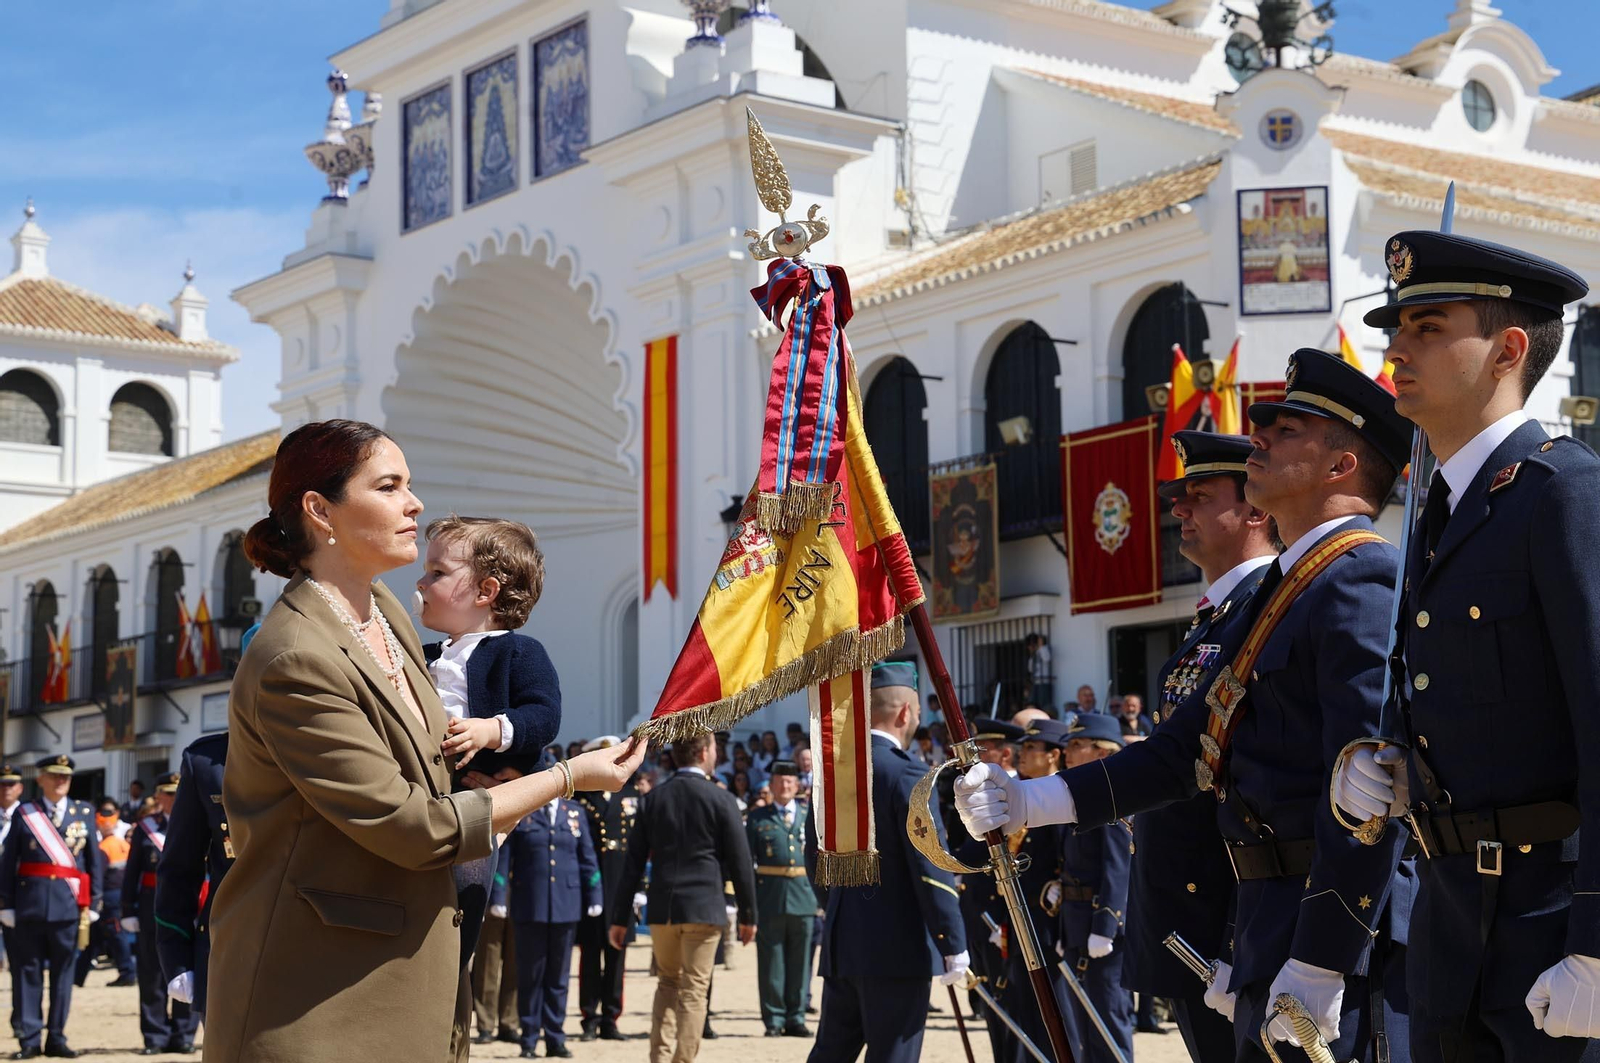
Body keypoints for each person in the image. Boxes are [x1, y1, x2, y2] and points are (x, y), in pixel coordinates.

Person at [958, 350, 1417, 1062]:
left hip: (1327, 946)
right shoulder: (1284, 591)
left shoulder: (1360, 580)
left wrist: (1325, 956)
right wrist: (1030, 800)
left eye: (1286, 428)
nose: (1257, 435)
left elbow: (1369, 799)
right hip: (1267, 922)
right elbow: (1181, 753)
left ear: (1339, 468)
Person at [209, 419, 647, 1063]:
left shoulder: (383, 614)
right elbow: (410, 825)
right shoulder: (295, 656)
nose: (414, 503)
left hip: (411, 967)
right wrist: (566, 778)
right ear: (319, 511)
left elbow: (431, 770)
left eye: (409, 485)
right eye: (389, 486)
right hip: (319, 992)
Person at [1332, 231, 1597, 1061]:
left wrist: (1596, 941)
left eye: (1427, 328)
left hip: (1551, 922)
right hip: (1452, 927)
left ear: (1508, 349)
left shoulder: (1564, 494)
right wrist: (1384, 768)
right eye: (1395, 328)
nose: (1396, 348)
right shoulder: (1437, 513)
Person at [1125, 429, 1275, 1062]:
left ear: (1256, 510)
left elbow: (1266, 789)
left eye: (1200, 494)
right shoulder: (1216, 617)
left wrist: (1236, 941)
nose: (1178, 509)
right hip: (1189, 928)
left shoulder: (1267, 609)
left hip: (1226, 925)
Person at [416, 514, 564, 970]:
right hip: (426, 802)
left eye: (437, 573)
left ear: (486, 592)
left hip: (479, 803)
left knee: (467, 892)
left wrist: (490, 730)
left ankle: (457, 966)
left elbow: (543, 716)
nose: (421, 582)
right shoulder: (422, 656)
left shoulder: (520, 652)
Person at [809, 661, 969, 1063]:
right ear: (904, 713)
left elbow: (815, 856)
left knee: (831, 1054)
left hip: (844, 943)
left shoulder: (833, 775)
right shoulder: (908, 775)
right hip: (897, 950)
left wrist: (840, 910)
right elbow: (930, 868)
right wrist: (952, 940)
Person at [608, 732, 757, 1063]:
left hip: (664, 907)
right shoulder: (722, 799)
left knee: (667, 984)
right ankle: (683, 1060)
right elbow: (740, 863)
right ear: (704, 752)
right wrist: (749, 915)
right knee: (694, 990)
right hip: (704, 906)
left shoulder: (654, 798)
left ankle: (660, 1058)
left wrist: (619, 918)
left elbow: (631, 865)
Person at [499, 753, 603, 1059]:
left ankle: (555, 1037)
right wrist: (498, 897)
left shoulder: (575, 813)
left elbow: (588, 859)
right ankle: (529, 1038)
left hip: (565, 905)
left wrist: (595, 896)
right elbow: (506, 859)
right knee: (530, 975)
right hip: (530, 904)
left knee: (558, 977)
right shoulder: (524, 813)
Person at [0, 755, 103, 1059]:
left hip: (69, 907)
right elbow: (8, 863)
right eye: (54, 776)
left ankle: (56, 1037)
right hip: (28, 905)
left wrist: (95, 902)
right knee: (26, 974)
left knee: (63, 976)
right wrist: (5, 904)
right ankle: (30, 1040)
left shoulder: (83, 812)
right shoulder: (25, 813)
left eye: (66, 777)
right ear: (40, 779)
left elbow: (93, 861)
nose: (61, 781)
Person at [1057, 714, 1134, 1063]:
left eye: (1077, 745)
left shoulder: (1113, 803)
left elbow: (1118, 869)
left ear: (1102, 753)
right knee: (1085, 1025)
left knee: (1107, 1020)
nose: (1067, 753)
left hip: (1101, 930)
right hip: (1076, 924)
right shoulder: (1082, 801)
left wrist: (1106, 925)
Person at [155, 733, 233, 1023]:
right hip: (230, 950)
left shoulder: (334, 740)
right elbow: (179, 868)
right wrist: (176, 957)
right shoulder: (207, 760)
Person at [122, 772, 197, 1055]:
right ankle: (155, 1036)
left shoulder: (196, 824)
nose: (174, 799)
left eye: (179, 793)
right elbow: (132, 874)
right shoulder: (145, 828)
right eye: (168, 793)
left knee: (187, 970)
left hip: (189, 907)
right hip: (151, 909)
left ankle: (184, 1034)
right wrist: (128, 909)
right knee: (151, 974)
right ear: (159, 797)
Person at [573, 736, 639, 1043]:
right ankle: (589, 1016)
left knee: (617, 957)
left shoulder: (631, 795)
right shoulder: (582, 799)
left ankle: (611, 1018)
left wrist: (641, 889)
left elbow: (639, 849)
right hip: (593, 887)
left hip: (621, 886)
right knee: (590, 956)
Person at [746, 760, 813, 1038]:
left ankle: (796, 1017)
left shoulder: (811, 815)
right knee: (771, 961)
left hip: (805, 895)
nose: (784, 786)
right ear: (770, 786)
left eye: (789, 781)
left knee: (801, 962)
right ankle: (773, 1019)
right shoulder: (758, 819)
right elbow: (747, 861)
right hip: (770, 896)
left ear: (797, 785)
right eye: (779, 781)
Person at [473, 844, 520, 1046]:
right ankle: (485, 1024)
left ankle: (509, 1023)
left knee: (515, 966)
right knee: (487, 967)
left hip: (521, 900)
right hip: (491, 896)